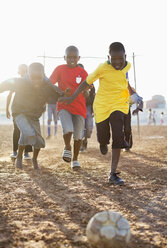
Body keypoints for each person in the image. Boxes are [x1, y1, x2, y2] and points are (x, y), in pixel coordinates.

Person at [60, 42, 142, 185]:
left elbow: (125, 82)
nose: (117, 62)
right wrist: (72, 97)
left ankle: (113, 173)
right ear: (108, 57)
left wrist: (137, 96)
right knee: (103, 138)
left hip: (119, 105)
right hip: (102, 106)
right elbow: (86, 82)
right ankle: (103, 142)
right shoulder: (102, 68)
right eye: (113, 59)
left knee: (118, 135)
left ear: (125, 57)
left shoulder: (127, 66)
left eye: (120, 59)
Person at [0, 62, 63, 170]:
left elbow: (58, 95)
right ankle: (19, 155)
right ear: (28, 75)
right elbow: (5, 85)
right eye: (33, 78)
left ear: (43, 75)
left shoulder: (47, 85)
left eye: (39, 78)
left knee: (39, 141)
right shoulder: (20, 82)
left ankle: (34, 159)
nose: (36, 81)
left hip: (34, 115)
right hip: (20, 112)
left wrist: (63, 93)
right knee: (28, 132)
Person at [50, 46, 88, 170]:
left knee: (78, 136)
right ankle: (67, 147)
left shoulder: (83, 72)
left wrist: (87, 91)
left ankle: (75, 160)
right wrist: (61, 92)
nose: (72, 59)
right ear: (64, 57)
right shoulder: (60, 69)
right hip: (63, 105)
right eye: (69, 57)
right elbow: (50, 84)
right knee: (68, 129)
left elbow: (86, 93)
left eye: (74, 57)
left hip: (79, 108)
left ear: (79, 58)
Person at [6, 64, 32, 160]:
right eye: (22, 70)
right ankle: (15, 151)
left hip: (28, 109)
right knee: (17, 129)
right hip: (16, 109)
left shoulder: (30, 82)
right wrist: (6, 109)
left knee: (28, 129)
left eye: (25, 70)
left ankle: (26, 152)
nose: (23, 72)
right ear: (19, 72)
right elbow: (9, 95)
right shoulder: (16, 82)